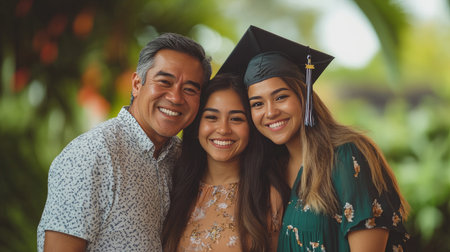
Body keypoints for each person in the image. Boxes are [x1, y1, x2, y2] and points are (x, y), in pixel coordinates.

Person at [217, 25, 410, 252]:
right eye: (257, 104)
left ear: (304, 95)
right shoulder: (273, 169)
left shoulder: (346, 155)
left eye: (280, 97)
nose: (270, 112)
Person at [37, 32, 212, 251]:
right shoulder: (92, 154)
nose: (176, 98)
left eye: (189, 89)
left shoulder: (180, 157)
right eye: (164, 82)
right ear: (137, 84)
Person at [162, 73, 288, 252]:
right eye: (211, 117)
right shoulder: (174, 184)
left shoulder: (268, 195)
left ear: (251, 128)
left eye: (236, 119)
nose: (223, 129)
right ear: (197, 126)